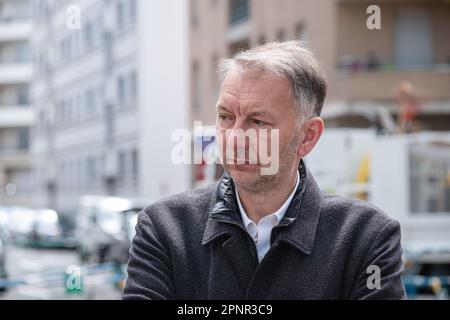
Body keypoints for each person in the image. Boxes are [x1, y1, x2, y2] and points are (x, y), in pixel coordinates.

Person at [123, 41, 406, 300]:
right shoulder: (164, 229)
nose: (234, 138)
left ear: (307, 137)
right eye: (225, 117)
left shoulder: (366, 238)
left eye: (258, 122)